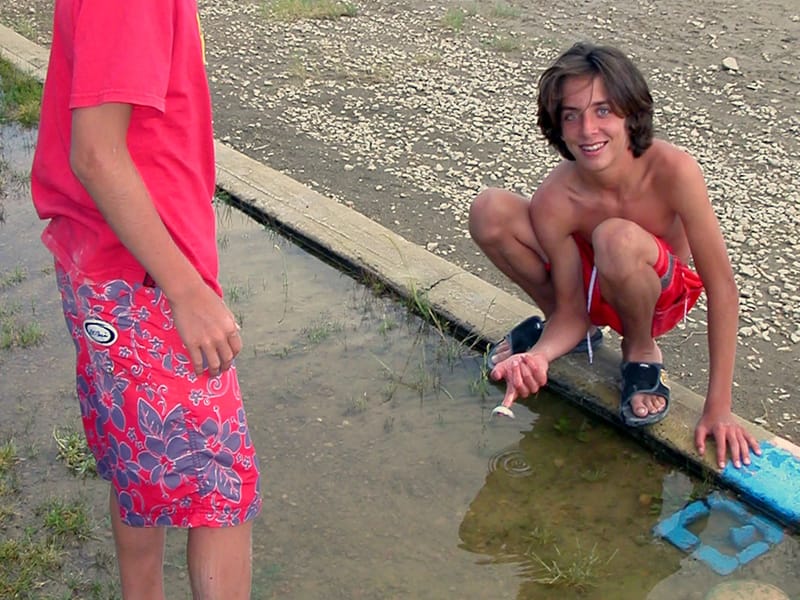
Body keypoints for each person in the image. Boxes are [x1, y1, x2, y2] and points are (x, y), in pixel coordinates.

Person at [30, 1, 261, 598]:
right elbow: (97, 154)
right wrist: (187, 291)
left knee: (138, 467)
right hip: (144, 279)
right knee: (220, 488)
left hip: (109, 264)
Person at [468, 41, 760, 470]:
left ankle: (641, 352)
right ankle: (566, 340)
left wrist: (719, 407)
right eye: (572, 115)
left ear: (630, 113)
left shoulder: (675, 171)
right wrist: (540, 357)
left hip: (655, 291)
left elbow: (723, 289)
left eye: (603, 110)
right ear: (558, 127)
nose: (588, 130)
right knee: (489, 209)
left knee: (615, 238)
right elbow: (571, 307)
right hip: (589, 289)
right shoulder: (556, 196)